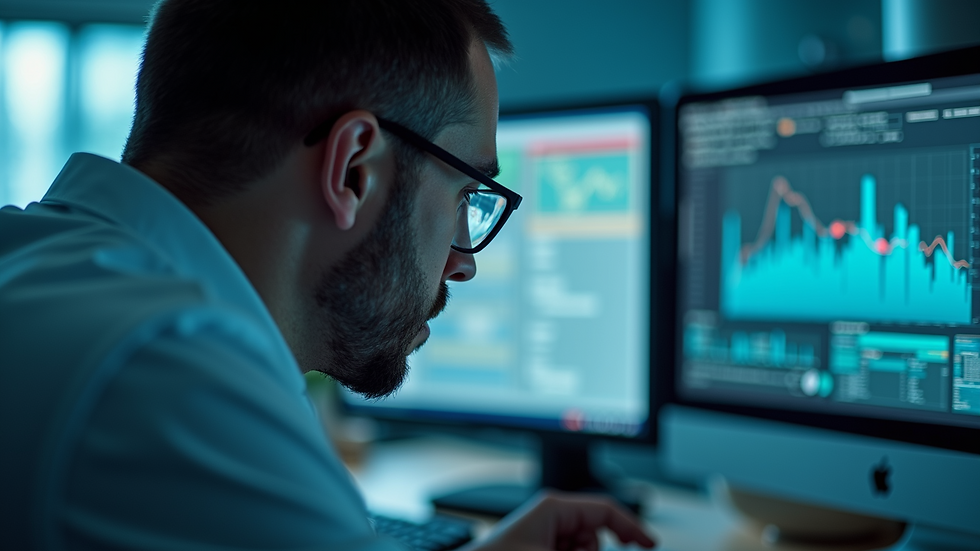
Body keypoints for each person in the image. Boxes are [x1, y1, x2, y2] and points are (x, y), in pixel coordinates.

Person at [0, 1, 657, 549]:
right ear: (353, 169)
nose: (464, 260)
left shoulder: (32, 261)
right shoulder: (179, 378)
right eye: (465, 195)